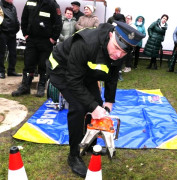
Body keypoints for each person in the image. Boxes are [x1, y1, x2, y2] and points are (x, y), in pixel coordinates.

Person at [46, 21, 145, 178]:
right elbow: (73, 81)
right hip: (62, 70)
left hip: (85, 71)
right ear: (111, 35)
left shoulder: (120, 50)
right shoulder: (86, 43)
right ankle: (73, 155)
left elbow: (112, 75)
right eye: (117, 49)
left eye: (123, 53)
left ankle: (88, 145)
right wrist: (92, 106)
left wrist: (109, 101)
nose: (119, 55)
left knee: (97, 105)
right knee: (79, 108)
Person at [11, 0, 62, 97]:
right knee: (28, 64)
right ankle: (25, 86)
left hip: (46, 41)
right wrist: (25, 34)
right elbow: (24, 18)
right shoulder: (30, 1)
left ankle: (41, 86)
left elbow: (58, 22)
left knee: (43, 64)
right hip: (31, 39)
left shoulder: (52, 4)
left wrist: (53, 38)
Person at [0, 0, 21, 79]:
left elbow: (15, 18)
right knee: (1, 53)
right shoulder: (0, 5)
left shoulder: (13, 7)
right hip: (3, 33)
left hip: (12, 33)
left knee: (13, 53)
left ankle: (11, 70)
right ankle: (1, 71)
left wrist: (17, 26)